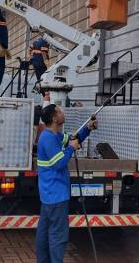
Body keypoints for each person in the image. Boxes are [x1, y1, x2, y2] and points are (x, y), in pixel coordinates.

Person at [35, 105, 97, 263]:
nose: (63, 112)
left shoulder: (55, 135)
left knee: (44, 233)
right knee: (58, 236)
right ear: (55, 119)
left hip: (49, 195)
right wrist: (70, 149)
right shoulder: (48, 138)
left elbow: (73, 139)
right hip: (55, 196)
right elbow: (59, 163)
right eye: (60, 111)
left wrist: (87, 129)